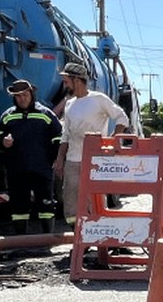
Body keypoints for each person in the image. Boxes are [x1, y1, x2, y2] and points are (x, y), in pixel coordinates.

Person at [52, 62, 128, 227]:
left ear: (77, 80)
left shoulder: (98, 99)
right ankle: (79, 237)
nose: (64, 85)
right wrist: (60, 160)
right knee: (70, 203)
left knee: (94, 201)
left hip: (95, 161)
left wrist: (113, 141)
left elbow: (122, 117)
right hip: (73, 161)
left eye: (66, 81)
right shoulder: (70, 104)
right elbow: (66, 135)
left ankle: (98, 237)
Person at [0, 79, 62, 234]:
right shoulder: (7, 116)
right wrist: (2, 140)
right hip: (17, 169)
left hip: (42, 168)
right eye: (18, 96)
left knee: (46, 204)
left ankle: (47, 238)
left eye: (25, 94)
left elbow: (58, 135)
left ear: (32, 94)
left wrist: (54, 158)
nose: (22, 98)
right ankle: (21, 239)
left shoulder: (45, 114)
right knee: (19, 205)